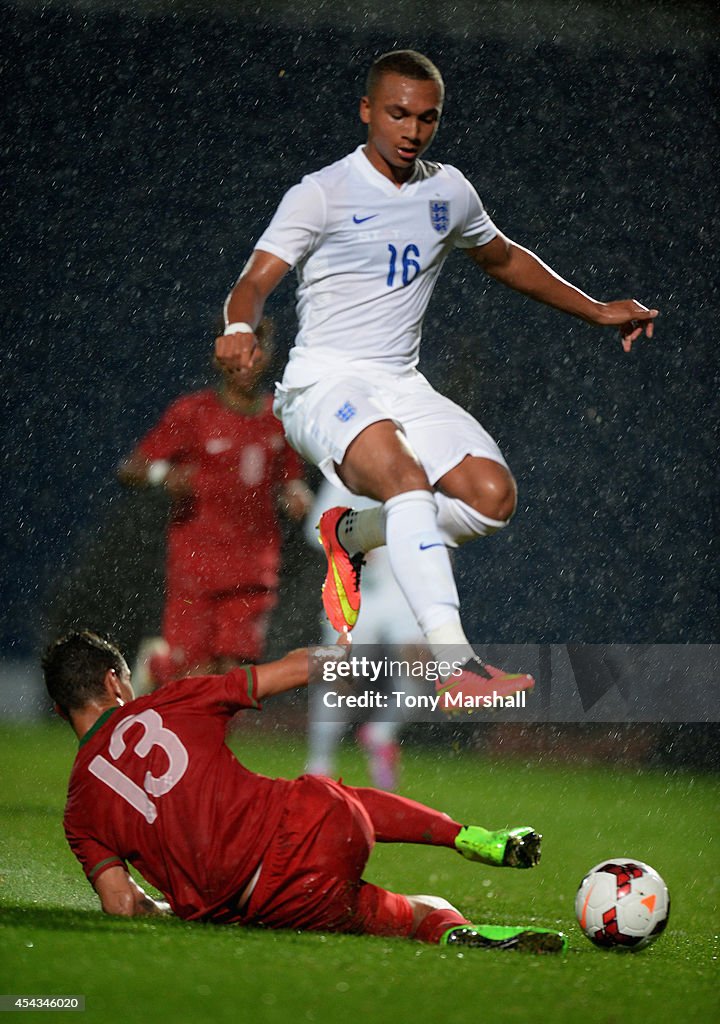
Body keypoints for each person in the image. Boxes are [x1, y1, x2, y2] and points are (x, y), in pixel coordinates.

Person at [214, 49, 658, 711]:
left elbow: (503, 258)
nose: (412, 130)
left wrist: (595, 309)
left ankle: (351, 535)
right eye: (397, 113)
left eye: (427, 118)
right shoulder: (322, 193)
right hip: (322, 386)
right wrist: (240, 329)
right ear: (367, 110)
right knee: (403, 476)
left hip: (400, 384)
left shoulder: (448, 192)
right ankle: (457, 664)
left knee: (491, 497)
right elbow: (254, 282)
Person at [42, 628, 567, 953]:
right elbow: (292, 671)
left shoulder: (78, 812)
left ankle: (455, 932)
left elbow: (123, 905)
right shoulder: (171, 701)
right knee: (328, 794)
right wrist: (339, 654)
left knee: (413, 912)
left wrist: (177, 904)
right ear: (116, 682)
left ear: (64, 711)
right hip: (315, 831)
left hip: (277, 904)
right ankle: (470, 837)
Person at [118, 321, 312, 685]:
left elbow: (291, 478)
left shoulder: (278, 418)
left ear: (268, 356)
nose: (246, 362)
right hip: (197, 563)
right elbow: (131, 468)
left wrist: (296, 493)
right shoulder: (192, 413)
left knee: (234, 680)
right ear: (218, 355)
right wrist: (163, 476)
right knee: (193, 675)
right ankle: (160, 667)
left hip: (254, 566)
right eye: (236, 351)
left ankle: (198, 726)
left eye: (255, 351)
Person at [305, 479, 426, 790]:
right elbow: (317, 529)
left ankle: (380, 735)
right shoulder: (346, 474)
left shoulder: (413, 471)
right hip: (355, 587)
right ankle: (320, 764)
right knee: (340, 676)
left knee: (422, 666)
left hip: (401, 585)